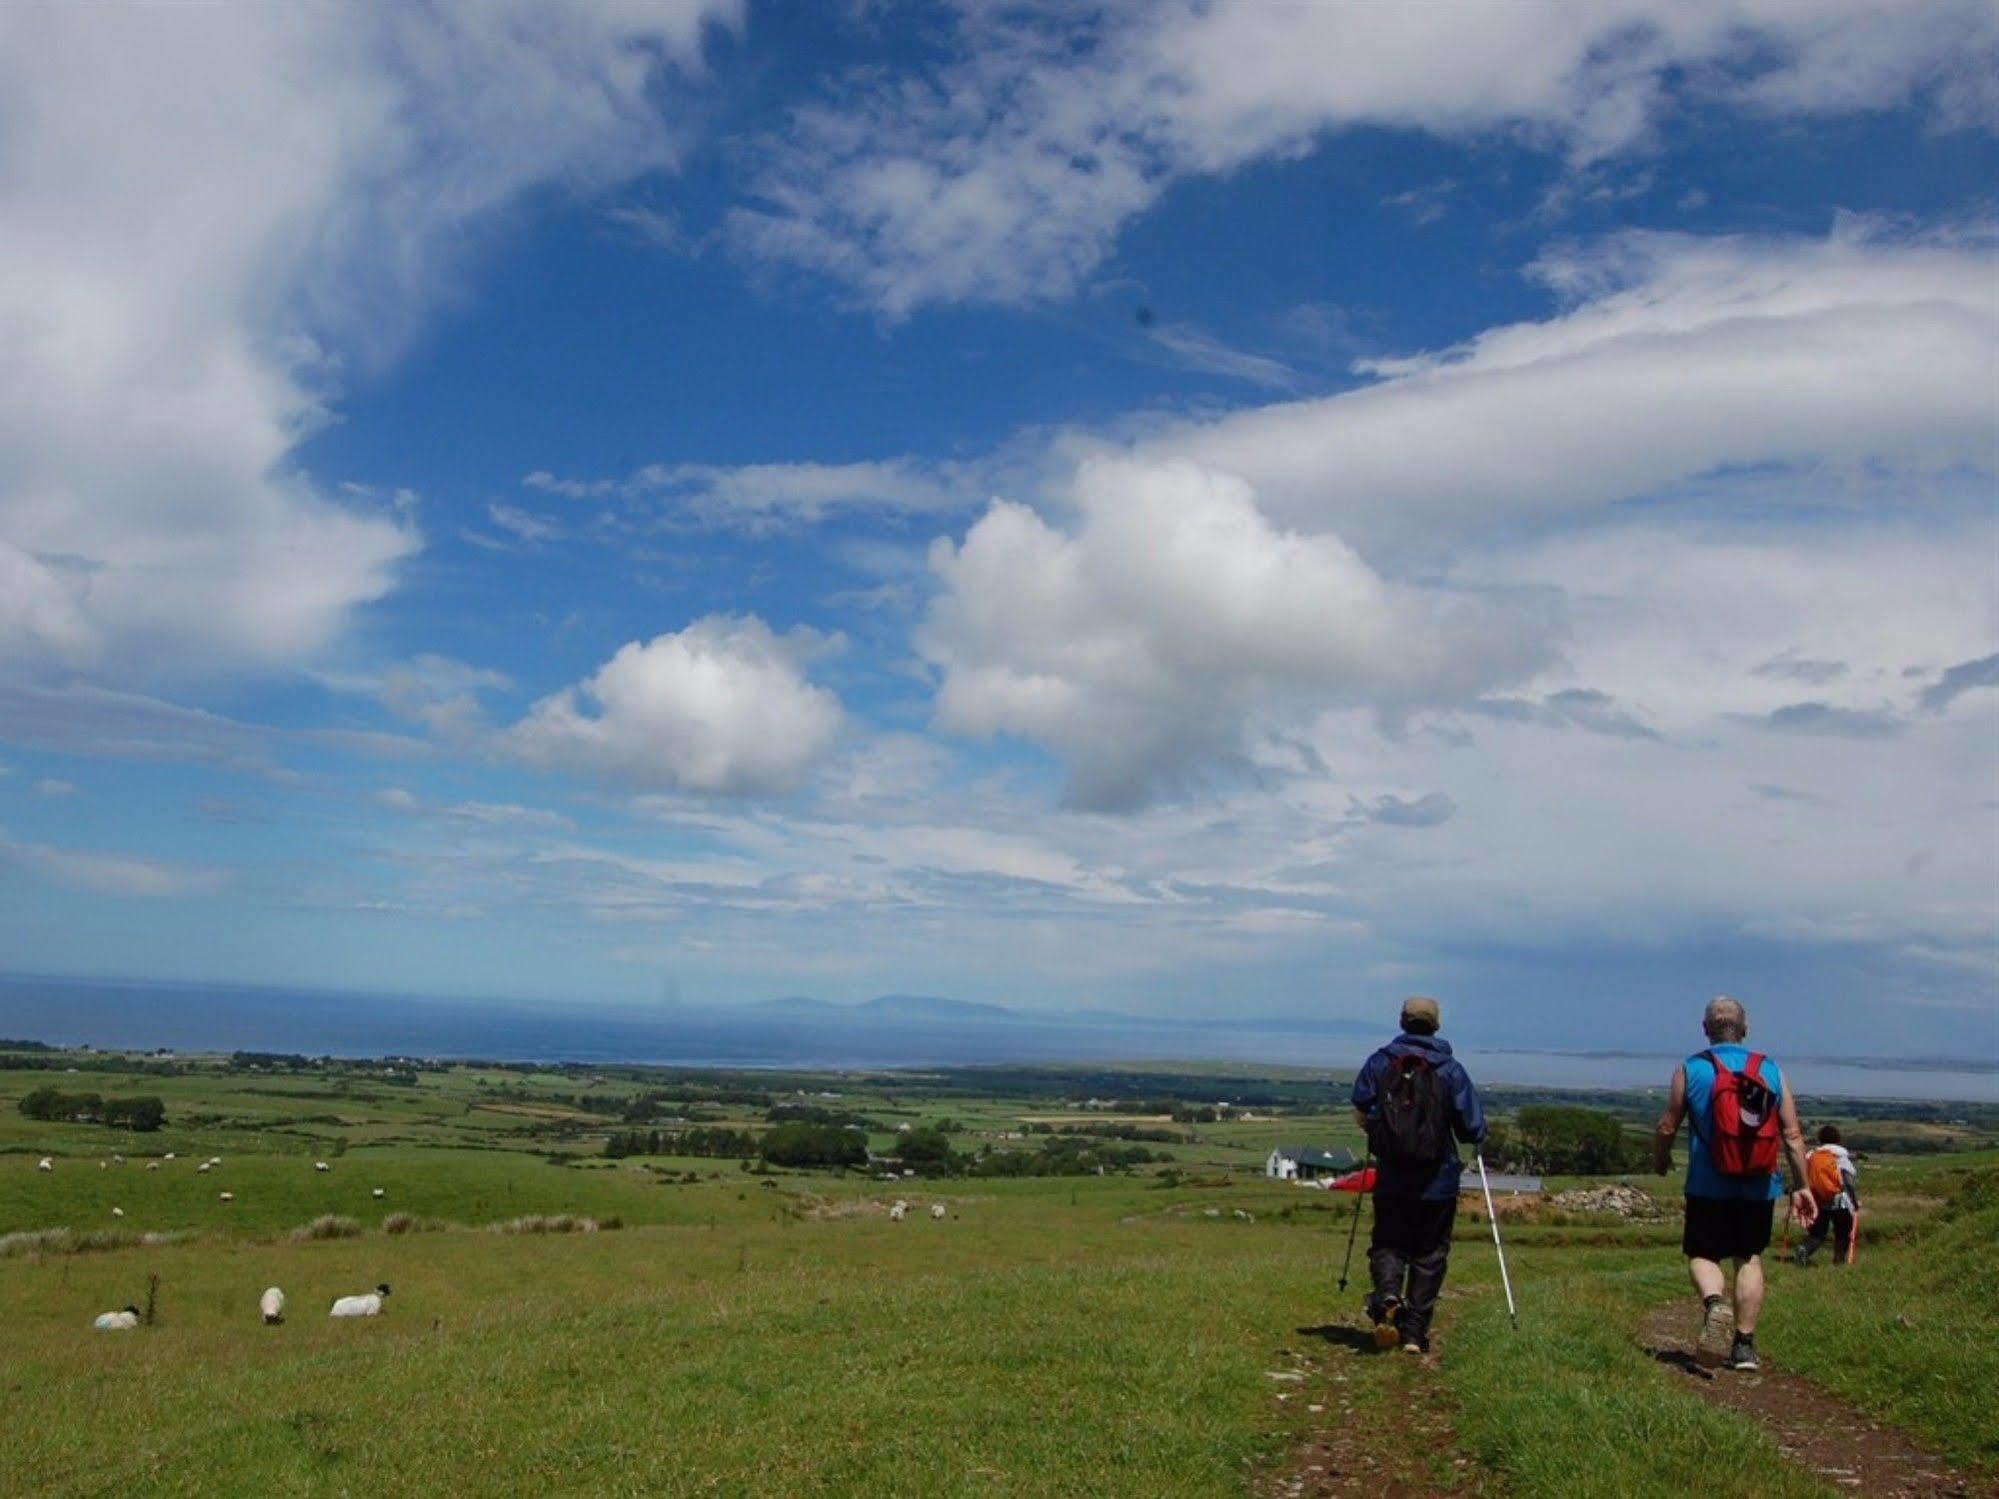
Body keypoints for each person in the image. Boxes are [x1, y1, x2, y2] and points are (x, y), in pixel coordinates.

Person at [1652, 996, 1817, 1372]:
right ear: (1745, 1028)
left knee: (1703, 1253)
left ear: (1706, 1029)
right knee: (1749, 1257)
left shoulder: (1691, 1068)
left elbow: (1667, 1125)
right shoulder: (1771, 1070)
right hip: (1760, 1184)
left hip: (1708, 1184)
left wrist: (1660, 1160)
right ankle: (1743, 1346)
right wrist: (1802, 1186)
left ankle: (1715, 1303)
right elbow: (1792, 1136)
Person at [1350, 995, 1485, 1355]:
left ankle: (1387, 1298)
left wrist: (1379, 1132)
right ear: (1436, 1025)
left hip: (1393, 1178)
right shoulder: (1450, 1070)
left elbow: (1361, 1103)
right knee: (1429, 1254)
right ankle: (1413, 1333)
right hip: (1437, 1182)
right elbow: (1472, 1126)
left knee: (1388, 1243)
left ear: (1402, 1022)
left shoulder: (1381, 1062)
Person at [1796, 1124, 1860, 1267]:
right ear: (1837, 1139)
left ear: (1820, 1138)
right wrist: (1854, 1201)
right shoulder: (1840, 1156)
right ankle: (1839, 1262)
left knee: (1817, 1233)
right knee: (1843, 1232)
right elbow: (1848, 1181)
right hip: (1839, 1200)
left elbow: (1803, 1176)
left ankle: (1804, 1249)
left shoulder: (1812, 1155)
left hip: (1818, 1199)